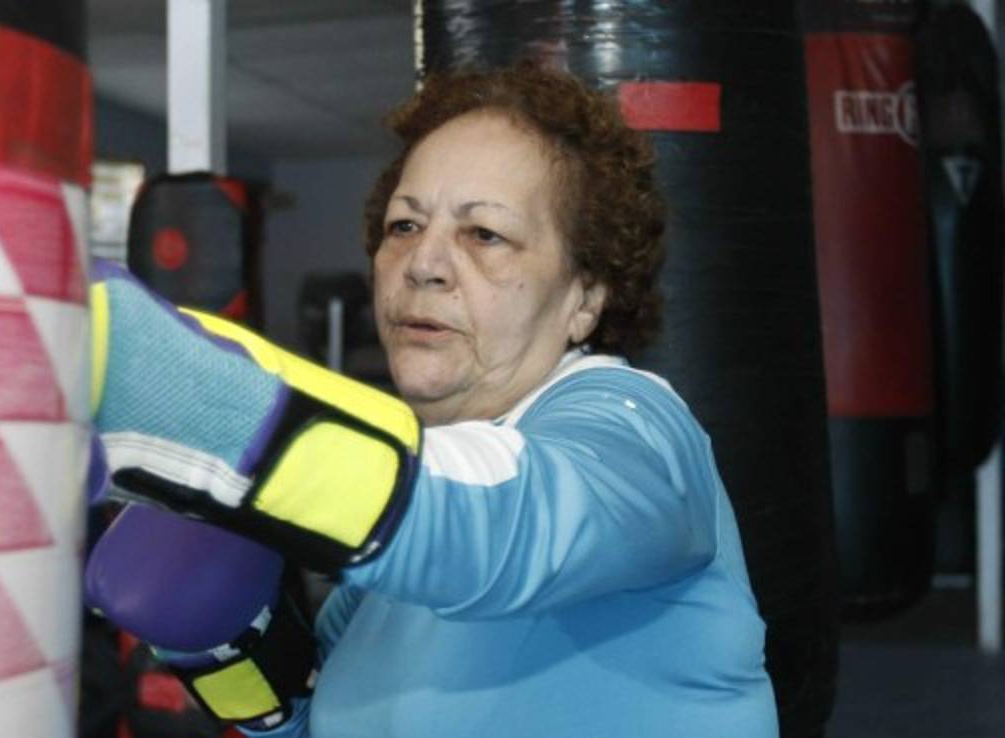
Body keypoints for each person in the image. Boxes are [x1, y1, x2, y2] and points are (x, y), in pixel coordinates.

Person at [87, 62, 778, 738]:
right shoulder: (399, 546)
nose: (423, 263)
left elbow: (508, 524)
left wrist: (184, 394)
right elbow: (321, 715)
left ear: (585, 297)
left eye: (485, 234)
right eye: (405, 227)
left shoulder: (638, 433)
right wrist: (230, 655)